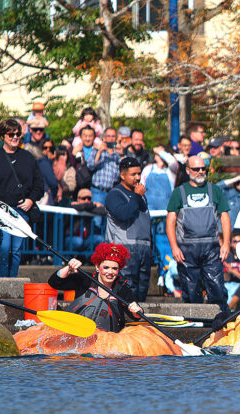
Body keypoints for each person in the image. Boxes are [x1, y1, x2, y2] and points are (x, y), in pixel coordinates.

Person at [166, 155, 231, 312]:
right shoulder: (179, 192)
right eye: (196, 169)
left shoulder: (215, 190)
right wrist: (174, 247)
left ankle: (221, 321)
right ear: (188, 170)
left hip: (211, 248)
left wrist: (226, 243)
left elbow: (225, 217)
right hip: (187, 249)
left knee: (216, 287)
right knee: (191, 289)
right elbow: (170, 221)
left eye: (203, 168)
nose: (201, 171)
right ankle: (194, 324)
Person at [0, 119, 44, 277]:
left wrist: (31, 200)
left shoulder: (28, 157)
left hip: (22, 210)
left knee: (16, 250)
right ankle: (2, 283)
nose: (15, 137)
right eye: (11, 134)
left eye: (18, 134)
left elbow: (39, 184)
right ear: (3, 136)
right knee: (4, 247)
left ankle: (13, 283)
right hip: (1, 211)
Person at [48, 243, 143, 332]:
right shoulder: (85, 279)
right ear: (97, 267)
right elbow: (54, 283)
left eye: (114, 269)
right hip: (74, 332)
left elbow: (135, 316)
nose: (110, 272)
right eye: (106, 267)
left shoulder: (122, 288)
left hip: (107, 339)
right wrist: (69, 268)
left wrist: (137, 310)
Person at [105, 157, 152, 302]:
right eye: (133, 174)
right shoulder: (115, 194)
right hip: (123, 249)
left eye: (139, 173)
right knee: (127, 291)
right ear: (122, 175)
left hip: (144, 249)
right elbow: (123, 214)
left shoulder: (141, 196)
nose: (137, 178)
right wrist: (137, 196)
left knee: (142, 290)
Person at [87, 127, 121, 206]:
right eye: (108, 136)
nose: (111, 139)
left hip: (111, 192)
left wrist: (121, 154)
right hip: (97, 191)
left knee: (108, 218)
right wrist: (99, 152)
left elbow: (120, 174)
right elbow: (90, 166)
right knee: (97, 217)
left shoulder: (117, 155)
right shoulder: (96, 150)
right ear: (104, 138)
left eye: (113, 136)